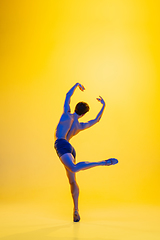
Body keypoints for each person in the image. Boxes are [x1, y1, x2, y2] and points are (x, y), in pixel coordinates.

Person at [54, 83, 118, 222]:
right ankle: (76, 210)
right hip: (70, 149)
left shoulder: (66, 114)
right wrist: (103, 106)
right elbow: (96, 120)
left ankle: (103, 162)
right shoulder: (80, 125)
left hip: (61, 144)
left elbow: (67, 96)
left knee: (74, 168)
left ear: (75, 108)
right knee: (72, 181)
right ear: (83, 114)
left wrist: (76, 85)